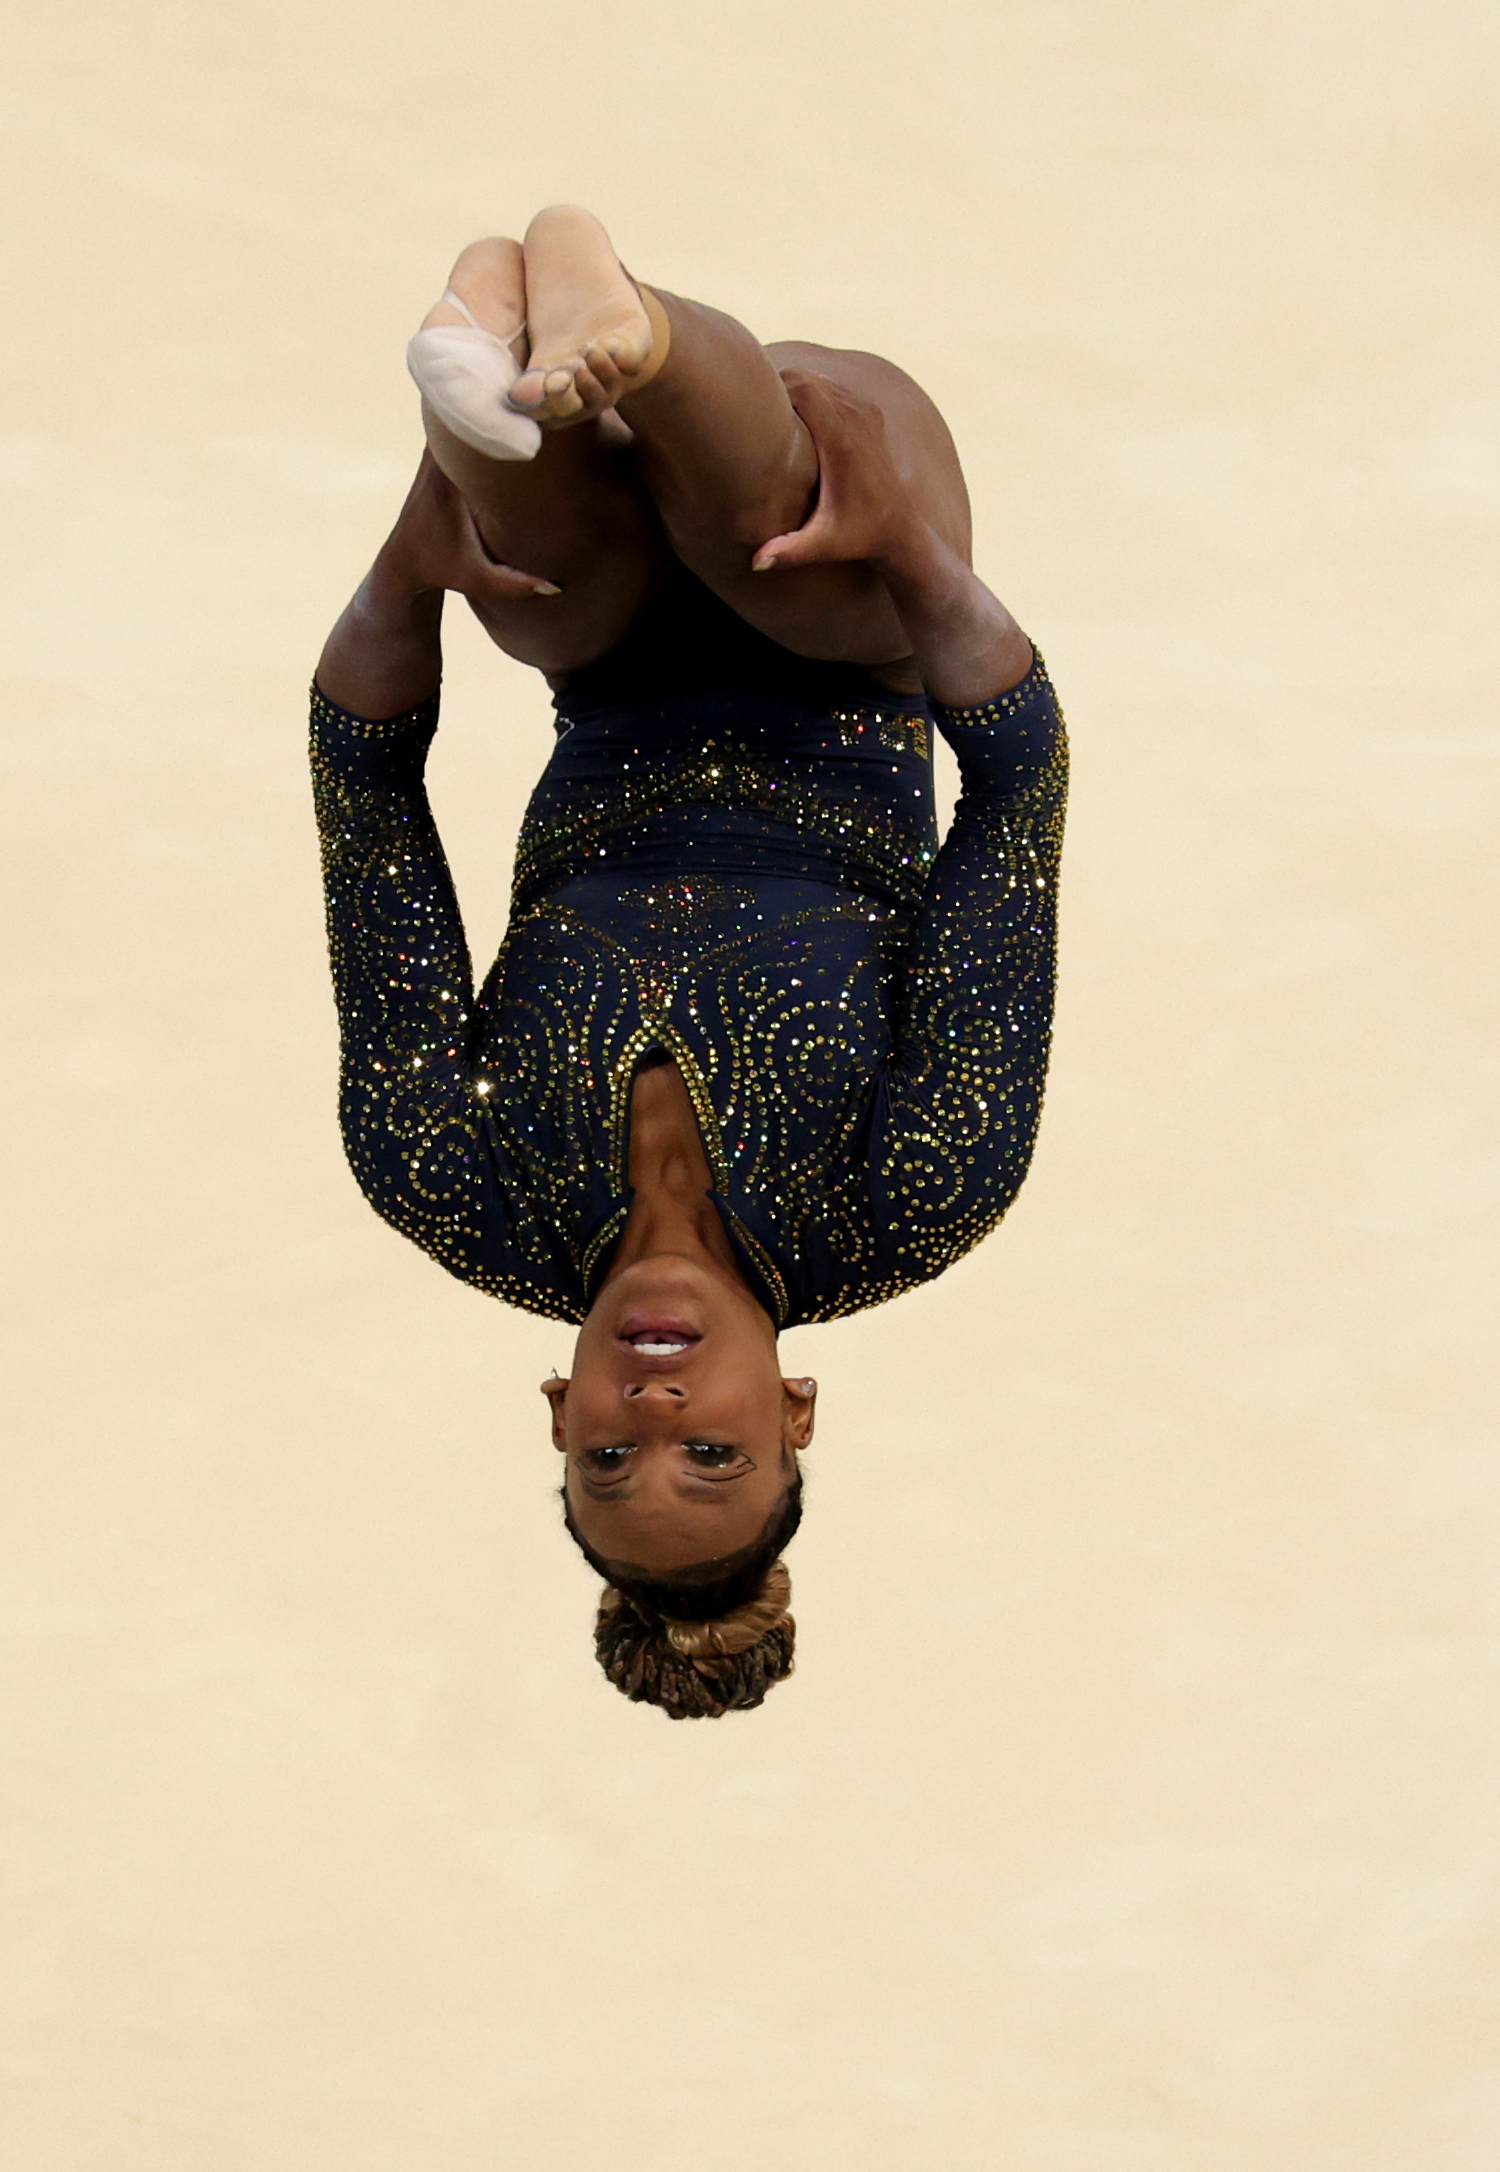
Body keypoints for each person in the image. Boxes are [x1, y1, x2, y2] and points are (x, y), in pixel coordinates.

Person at [307, 207, 1067, 1717]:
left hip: (605, 667)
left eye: (610, 1451)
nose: (654, 1406)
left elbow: (365, 796)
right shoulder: (914, 1196)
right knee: (770, 537)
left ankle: (502, 347)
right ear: (793, 1413)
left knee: (535, 550)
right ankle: (610, 319)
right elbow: (1018, 800)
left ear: (555, 1410)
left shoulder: (447, 1181)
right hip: (855, 651)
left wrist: (409, 568)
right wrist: (917, 557)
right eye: (710, 1451)